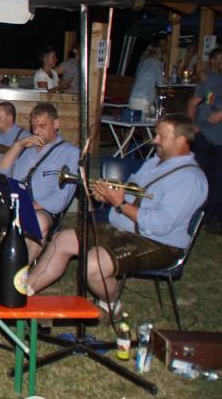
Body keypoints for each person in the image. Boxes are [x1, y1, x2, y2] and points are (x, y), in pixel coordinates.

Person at [27, 114, 207, 316]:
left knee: (92, 265)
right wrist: (107, 196)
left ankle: (110, 305)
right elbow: (130, 192)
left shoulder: (189, 179)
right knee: (61, 240)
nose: (154, 140)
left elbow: (160, 224)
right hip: (124, 228)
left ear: (181, 141)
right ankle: (24, 292)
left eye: (161, 136)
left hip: (158, 243)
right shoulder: (155, 162)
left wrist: (119, 203)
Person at [0, 102, 79, 266]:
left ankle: (16, 272)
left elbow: (61, 197)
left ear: (56, 124)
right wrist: (18, 146)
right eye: (34, 126)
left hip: (41, 209)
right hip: (10, 201)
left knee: (39, 221)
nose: (36, 131)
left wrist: (29, 206)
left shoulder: (70, 152)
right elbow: (1, 171)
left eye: (42, 126)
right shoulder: (27, 147)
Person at [188, 46, 222, 220]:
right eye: (218, 60)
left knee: (217, 177)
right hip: (204, 134)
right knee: (200, 174)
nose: (219, 63)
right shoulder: (209, 79)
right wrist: (191, 127)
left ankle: (213, 218)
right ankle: (197, 213)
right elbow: (193, 103)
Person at [128, 44, 165, 116]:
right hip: (144, 99)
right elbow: (160, 83)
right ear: (160, 53)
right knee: (152, 119)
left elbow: (140, 77)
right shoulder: (157, 64)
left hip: (133, 97)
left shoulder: (142, 62)